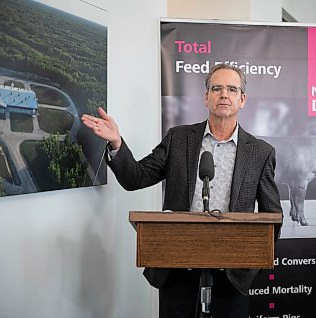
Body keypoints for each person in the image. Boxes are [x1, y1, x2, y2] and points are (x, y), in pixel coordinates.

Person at [82, 64, 283, 318]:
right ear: (206, 96)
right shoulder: (178, 139)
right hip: (178, 272)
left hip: (231, 278)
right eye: (216, 88)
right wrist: (116, 142)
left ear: (242, 99)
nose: (224, 94)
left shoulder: (261, 152)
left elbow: (272, 216)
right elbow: (136, 177)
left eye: (232, 89)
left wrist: (251, 266)